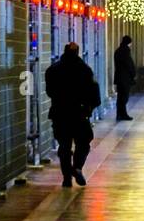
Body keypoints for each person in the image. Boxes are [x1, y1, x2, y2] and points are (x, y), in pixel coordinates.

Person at [45, 42, 101, 187]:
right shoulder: (84, 69)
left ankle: (67, 178)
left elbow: (49, 92)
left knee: (64, 146)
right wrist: (90, 107)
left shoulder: (53, 69)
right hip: (79, 113)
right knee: (84, 142)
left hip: (60, 113)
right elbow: (94, 92)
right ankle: (77, 167)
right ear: (78, 53)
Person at [114, 34, 136, 121]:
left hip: (119, 77)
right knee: (124, 97)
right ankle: (122, 114)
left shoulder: (118, 50)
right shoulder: (125, 51)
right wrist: (132, 73)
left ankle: (120, 114)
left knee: (120, 97)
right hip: (124, 78)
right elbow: (128, 64)